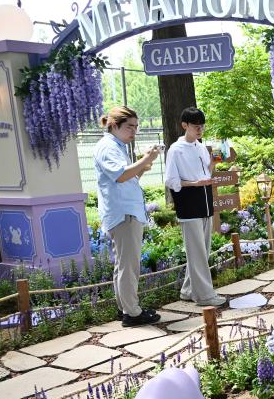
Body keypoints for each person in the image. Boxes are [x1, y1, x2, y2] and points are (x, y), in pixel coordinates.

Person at [93, 106, 161, 327]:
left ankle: (124, 308)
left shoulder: (116, 146)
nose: (134, 131)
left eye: (136, 127)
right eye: (130, 127)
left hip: (124, 212)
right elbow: (121, 175)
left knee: (123, 264)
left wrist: (142, 166)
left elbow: (128, 178)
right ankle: (132, 312)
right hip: (124, 214)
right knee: (129, 265)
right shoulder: (108, 147)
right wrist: (146, 158)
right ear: (114, 125)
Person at [164, 107, 227, 308]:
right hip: (189, 204)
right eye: (196, 126)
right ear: (185, 125)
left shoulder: (200, 147)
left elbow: (207, 173)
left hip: (205, 202)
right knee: (197, 252)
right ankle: (204, 296)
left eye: (202, 126)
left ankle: (188, 290)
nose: (200, 130)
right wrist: (195, 184)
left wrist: (214, 162)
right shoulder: (176, 149)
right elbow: (171, 181)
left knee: (202, 251)